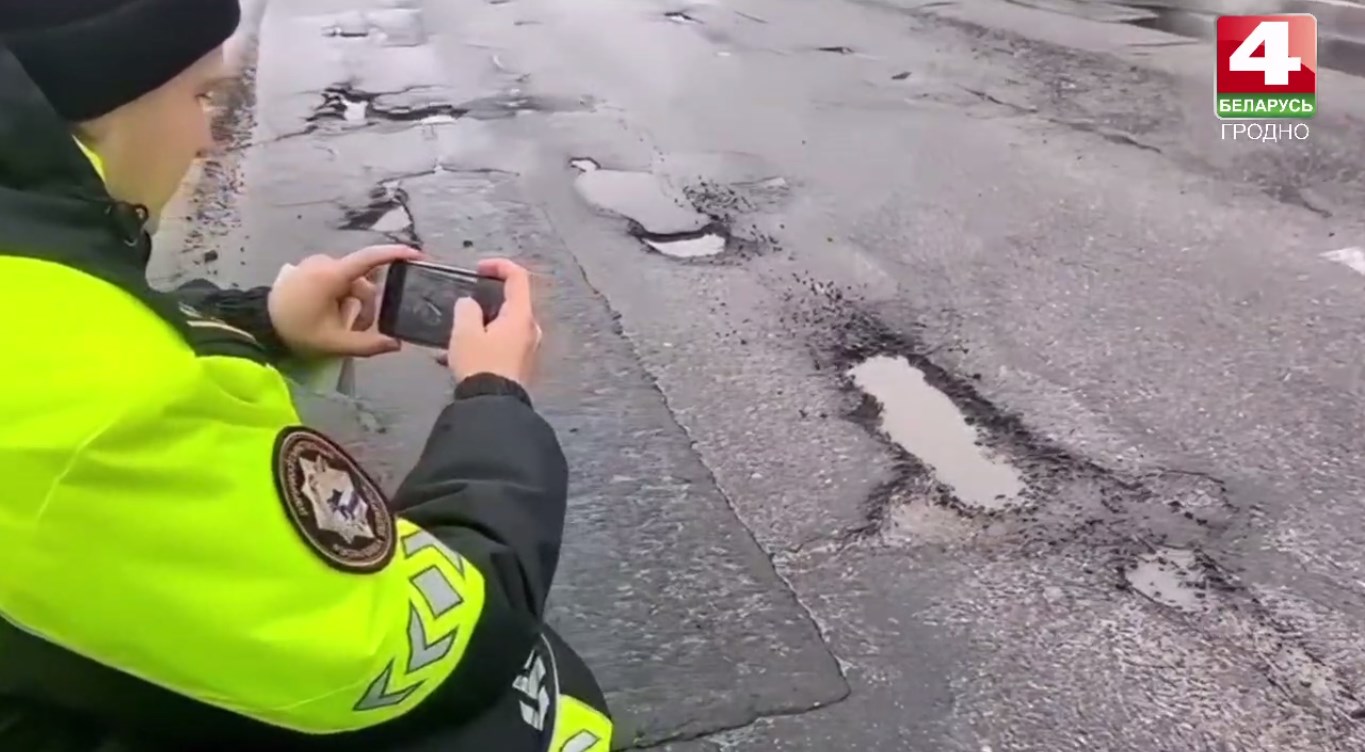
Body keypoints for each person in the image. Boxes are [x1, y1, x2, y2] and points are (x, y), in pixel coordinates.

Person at [0, 2, 612, 751]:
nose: (206, 139)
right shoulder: (98, 414)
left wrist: (261, 321)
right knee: (520, 715)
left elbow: (88, 328)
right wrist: (494, 399)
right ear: (99, 106)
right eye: (202, 96)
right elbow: (406, 643)